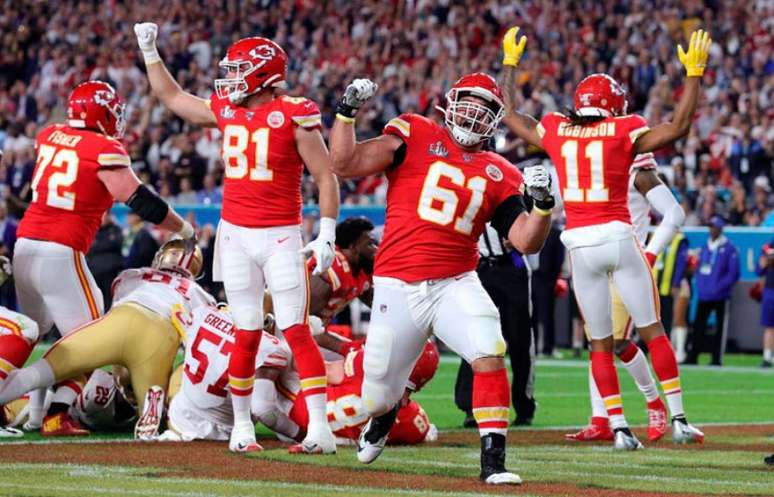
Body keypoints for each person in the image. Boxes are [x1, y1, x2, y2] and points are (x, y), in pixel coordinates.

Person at [329, 72, 554, 485]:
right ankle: (383, 416)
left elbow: (525, 241)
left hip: (456, 281)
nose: (473, 113)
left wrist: (542, 208)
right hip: (397, 284)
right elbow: (343, 163)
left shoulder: (500, 171)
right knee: (375, 394)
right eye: (468, 103)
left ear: (495, 119)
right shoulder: (415, 131)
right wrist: (346, 113)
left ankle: (494, 462)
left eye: (484, 108)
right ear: (449, 103)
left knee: (489, 349)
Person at [135, 23, 340, 454]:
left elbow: (325, 175)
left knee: (295, 329)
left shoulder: (294, 114)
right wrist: (149, 50)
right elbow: (172, 98)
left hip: (281, 233)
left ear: (263, 74)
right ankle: (242, 427)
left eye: (239, 69)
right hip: (235, 233)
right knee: (246, 330)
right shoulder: (227, 109)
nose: (229, 77)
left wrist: (326, 231)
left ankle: (320, 429)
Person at [501, 26, 708, 449]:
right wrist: (694, 74)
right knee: (652, 332)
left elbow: (510, 115)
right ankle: (680, 419)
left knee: (599, 343)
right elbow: (680, 125)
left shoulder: (558, 128)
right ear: (614, 106)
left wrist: (509, 66)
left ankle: (618, 428)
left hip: (578, 243)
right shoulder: (624, 129)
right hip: (618, 236)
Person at [11, 80, 194, 434]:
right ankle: (56, 414)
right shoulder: (103, 148)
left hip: (25, 246)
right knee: (94, 340)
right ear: (102, 112)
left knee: (33, 333)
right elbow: (138, 200)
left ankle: (35, 415)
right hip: (59, 250)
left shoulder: (50, 135)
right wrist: (182, 227)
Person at [0, 239, 213, 439]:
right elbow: (194, 349)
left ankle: (47, 411)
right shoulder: (200, 296)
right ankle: (154, 407)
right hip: (158, 336)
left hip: (119, 320)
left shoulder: (133, 275)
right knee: (166, 409)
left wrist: (121, 371)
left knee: (41, 371)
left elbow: (118, 301)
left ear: (161, 257)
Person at [565, 153, 685, 444]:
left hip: (627, 262)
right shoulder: (585, 161)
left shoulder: (635, 166)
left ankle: (653, 402)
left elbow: (674, 214)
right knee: (600, 342)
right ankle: (600, 419)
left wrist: (652, 252)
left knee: (615, 340)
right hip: (590, 258)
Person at [455, 222, 536, 428]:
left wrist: (524, 234)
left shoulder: (518, 191)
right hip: (479, 267)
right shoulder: (470, 193)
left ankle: (524, 405)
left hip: (514, 261)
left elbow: (536, 223)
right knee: (475, 337)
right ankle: (470, 408)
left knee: (521, 339)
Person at [686, 216, 740, 366]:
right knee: (698, 326)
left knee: (720, 328)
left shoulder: (729, 248)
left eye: (714, 226)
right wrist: (702, 286)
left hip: (721, 295)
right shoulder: (704, 247)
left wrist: (720, 287)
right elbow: (698, 269)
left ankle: (716, 359)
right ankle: (693, 356)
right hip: (704, 294)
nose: (711, 229)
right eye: (710, 226)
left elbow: (733, 273)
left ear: (720, 229)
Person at [87, 212, 125, 308]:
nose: (102, 217)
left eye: (105, 215)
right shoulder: (93, 230)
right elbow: (88, 248)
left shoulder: (116, 230)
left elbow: (117, 243)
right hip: (94, 271)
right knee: (96, 300)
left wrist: (98, 245)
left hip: (110, 271)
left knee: (110, 300)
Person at [757, 240, 774, 368]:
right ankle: (767, 357)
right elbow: (759, 270)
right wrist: (765, 263)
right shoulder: (769, 246)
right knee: (769, 326)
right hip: (770, 290)